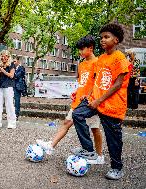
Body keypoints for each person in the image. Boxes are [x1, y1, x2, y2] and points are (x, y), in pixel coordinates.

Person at [72, 23, 131, 180]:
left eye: (107, 37)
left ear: (116, 40)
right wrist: (89, 95)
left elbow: (118, 84)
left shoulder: (120, 58)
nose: (102, 40)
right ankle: (89, 149)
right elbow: (97, 80)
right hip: (95, 101)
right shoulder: (101, 59)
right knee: (77, 114)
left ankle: (117, 168)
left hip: (112, 105)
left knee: (114, 140)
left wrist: (98, 100)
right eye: (101, 37)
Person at [36, 35, 104, 164]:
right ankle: (51, 146)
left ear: (91, 48)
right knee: (66, 123)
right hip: (78, 100)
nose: (79, 52)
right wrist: (76, 92)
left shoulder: (97, 63)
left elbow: (96, 83)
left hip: (89, 103)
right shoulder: (82, 64)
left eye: (81, 49)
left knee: (95, 129)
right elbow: (82, 83)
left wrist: (90, 97)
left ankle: (99, 156)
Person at [0, 50, 17, 129]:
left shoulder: (12, 65)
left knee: (9, 105)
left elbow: (11, 75)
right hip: (0, 86)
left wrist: (3, 71)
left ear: (8, 57)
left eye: (4, 56)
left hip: (8, 86)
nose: (3, 57)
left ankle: (12, 123)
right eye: (2, 56)